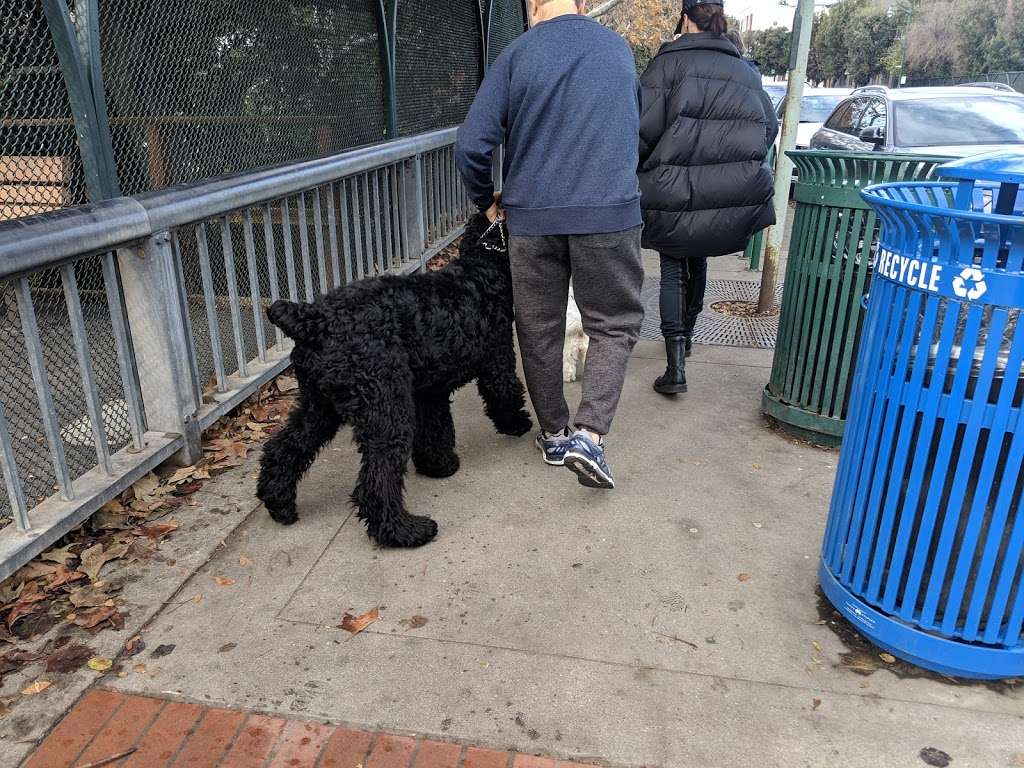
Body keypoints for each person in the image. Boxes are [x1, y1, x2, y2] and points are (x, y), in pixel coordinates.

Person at [455, 0, 643, 490]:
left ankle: (555, 434)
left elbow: (471, 145)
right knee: (613, 323)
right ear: (582, 4)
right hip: (609, 213)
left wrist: (486, 201)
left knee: (538, 326)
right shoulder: (618, 51)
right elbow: (634, 132)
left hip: (532, 217)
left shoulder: (518, 54)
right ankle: (590, 436)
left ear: (532, 4)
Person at [638, 0, 778, 395]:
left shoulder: (665, 66)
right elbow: (766, 127)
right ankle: (691, 336)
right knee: (697, 262)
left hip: (670, 187)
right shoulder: (744, 71)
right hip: (721, 189)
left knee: (670, 269)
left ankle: (675, 364)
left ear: (685, 18)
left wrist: (648, 167)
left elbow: (641, 130)